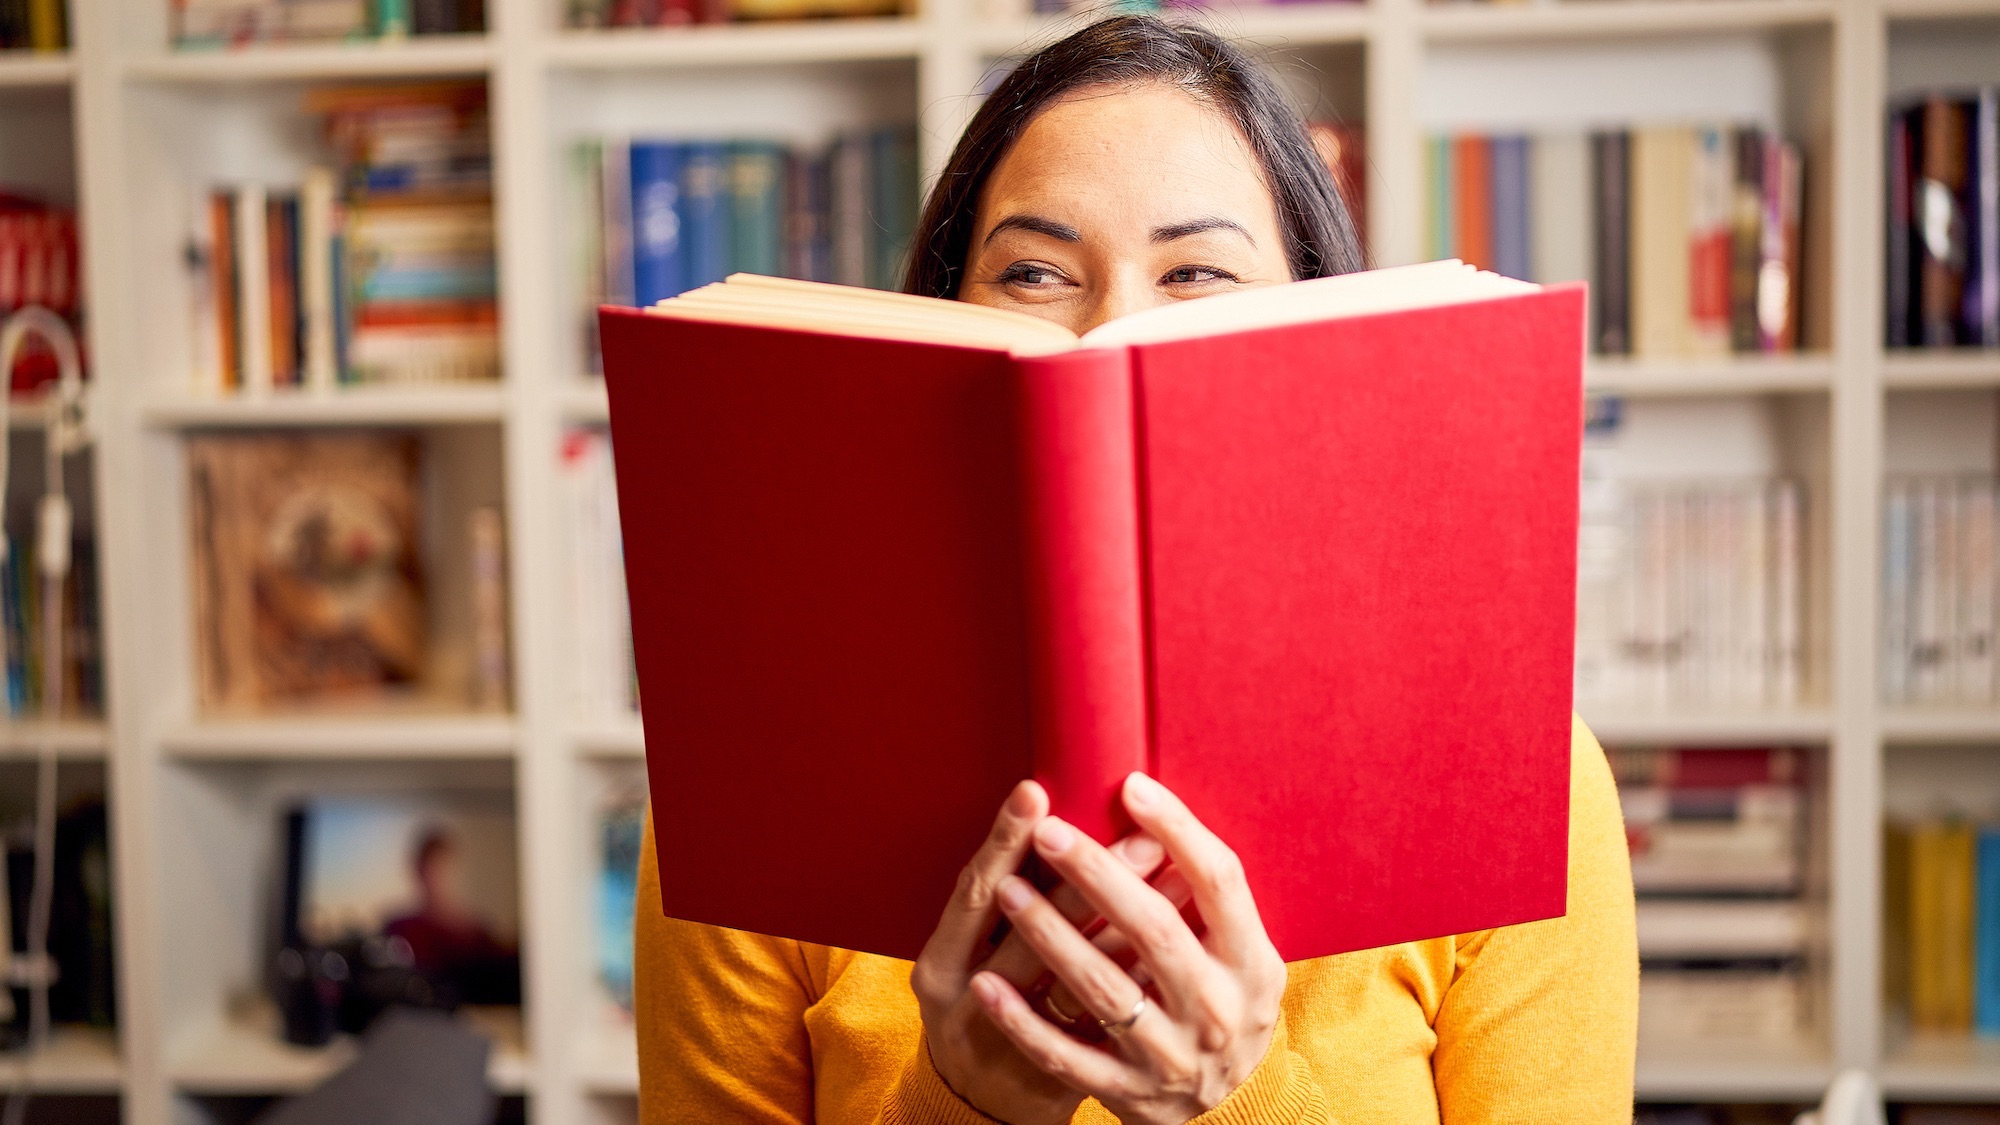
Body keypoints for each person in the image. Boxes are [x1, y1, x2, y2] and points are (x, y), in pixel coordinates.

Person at [634, 14, 1637, 1124]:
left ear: (1316, 320)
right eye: (1031, 270)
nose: (1111, 327)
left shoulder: (1517, 787)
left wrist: (1231, 1092)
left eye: (1195, 270)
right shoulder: (757, 795)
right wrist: (962, 1105)